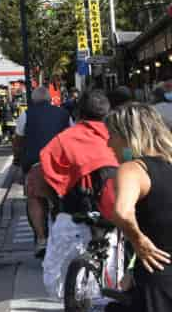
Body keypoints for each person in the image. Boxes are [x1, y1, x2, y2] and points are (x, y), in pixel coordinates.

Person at [105, 102, 172, 312]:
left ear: (126, 135)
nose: (108, 143)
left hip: (159, 288)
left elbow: (122, 211)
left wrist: (139, 240)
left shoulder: (134, 169)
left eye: (111, 135)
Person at [38, 91, 119, 219]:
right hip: (117, 217)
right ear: (107, 112)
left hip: (76, 217)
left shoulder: (63, 139)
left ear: (79, 113)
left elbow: (43, 172)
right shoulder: (118, 137)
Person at [15, 86, 71, 257]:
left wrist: (18, 161)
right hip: (60, 166)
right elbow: (72, 135)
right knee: (63, 200)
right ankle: (63, 236)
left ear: (33, 100)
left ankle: (41, 239)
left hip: (37, 164)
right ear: (50, 99)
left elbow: (18, 140)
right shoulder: (64, 114)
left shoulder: (26, 115)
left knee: (35, 200)